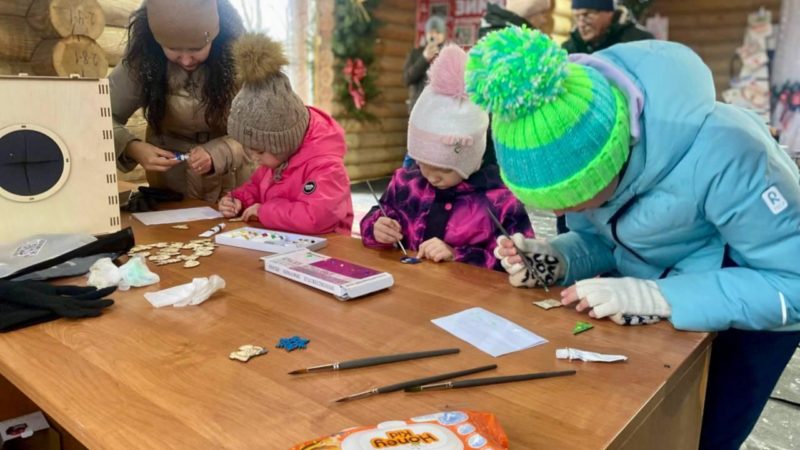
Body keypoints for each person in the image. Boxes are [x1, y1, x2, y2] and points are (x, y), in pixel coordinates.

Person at [465, 27, 800, 449]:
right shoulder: (593, 157)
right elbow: (607, 242)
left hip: (756, 318)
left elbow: (792, 283)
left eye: (576, 198)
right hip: (661, 319)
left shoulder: (729, 152)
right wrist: (557, 258)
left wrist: (661, 297)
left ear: (616, 156)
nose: (559, 214)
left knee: (701, 437)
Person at [361, 45, 533, 270]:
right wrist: (376, 227)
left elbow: (523, 261)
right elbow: (376, 215)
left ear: (472, 160)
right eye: (423, 164)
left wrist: (457, 255)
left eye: (444, 170)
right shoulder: (406, 183)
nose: (432, 177)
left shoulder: (500, 199)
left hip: (468, 300)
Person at [110, 0, 254, 203]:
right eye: (173, 49)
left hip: (236, 187)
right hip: (169, 189)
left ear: (215, 36)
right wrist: (132, 147)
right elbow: (98, 115)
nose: (186, 60)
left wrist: (220, 152)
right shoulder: (141, 61)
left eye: (197, 48)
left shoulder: (245, 60)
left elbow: (267, 131)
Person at [218, 33, 353, 236]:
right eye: (248, 148)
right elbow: (256, 186)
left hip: (327, 249)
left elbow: (315, 217)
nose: (254, 157)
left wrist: (264, 211)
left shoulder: (326, 166)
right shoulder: (275, 158)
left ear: (284, 142)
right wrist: (238, 200)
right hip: (284, 242)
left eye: (260, 151)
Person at [401, 15, 447, 169]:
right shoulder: (415, 53)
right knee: (414, 151)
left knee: (438, 152)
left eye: (438, 32)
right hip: (418, 111)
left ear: (443, 34)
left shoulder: (448, 53)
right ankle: (407, 180)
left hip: (441, 111)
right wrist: (424, 58)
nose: (433, 35)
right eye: (431, 32)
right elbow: (407, 78)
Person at [562, 0, 654, 54]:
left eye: (587, 15)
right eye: (577, 17)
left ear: (608, 13)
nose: (581, 24)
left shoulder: (639, 42)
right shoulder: (569, 49)